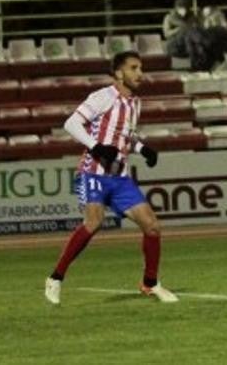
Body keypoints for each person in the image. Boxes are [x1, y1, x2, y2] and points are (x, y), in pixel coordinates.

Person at [44, 51, 176, 305]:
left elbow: (126, 136)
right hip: (93, 171)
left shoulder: (135, 103)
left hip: (120, 177)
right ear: (118, 73)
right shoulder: (103, 97)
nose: (140, 74)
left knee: (152, 226)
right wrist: (95, 146)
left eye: (141, 68)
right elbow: (71, 123)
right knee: (93, 222)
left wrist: (142, 149)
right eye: (134, 68)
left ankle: (150, 283)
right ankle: (55, 277)